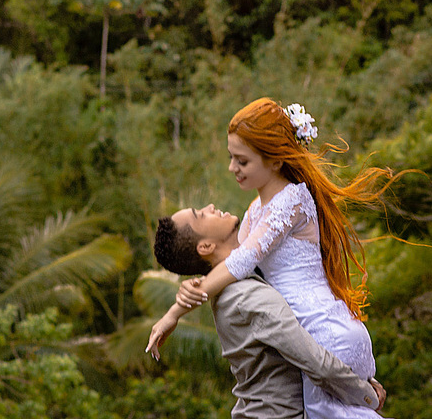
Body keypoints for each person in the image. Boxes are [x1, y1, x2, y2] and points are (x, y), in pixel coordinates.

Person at [147, 98, 397, 419]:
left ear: (276, 161)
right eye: (232, 158)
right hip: (321, 335)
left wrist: (175, 312)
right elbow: (228, 259)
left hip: (323, 332)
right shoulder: (257, 210)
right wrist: (192, 287)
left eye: (242, 161)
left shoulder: (289, 201)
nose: (232, 168)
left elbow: (240, 262)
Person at [153, 203, 387, 418]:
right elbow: (314, 361)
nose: (210, 207)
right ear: (206, 246)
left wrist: (174, 312)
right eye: (201, 215)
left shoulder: (240, 274)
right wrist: (367, 394)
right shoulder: (246, 297)